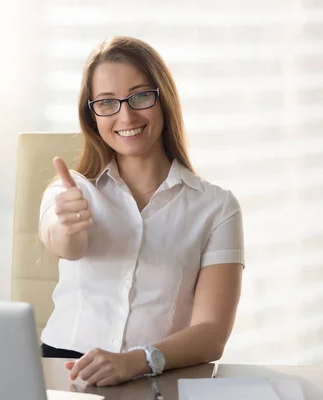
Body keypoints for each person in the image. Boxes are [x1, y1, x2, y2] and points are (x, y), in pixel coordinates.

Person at [38, 36, 244, 387]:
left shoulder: (217, 207)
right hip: (62, 374)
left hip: (155, 375)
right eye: (106, 103)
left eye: (140, 96)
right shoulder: (69, 189)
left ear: (164, 99)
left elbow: (212, 333)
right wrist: (68, 226)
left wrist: (137, 361)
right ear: (92, 115)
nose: (126, 115)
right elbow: (65, 243)